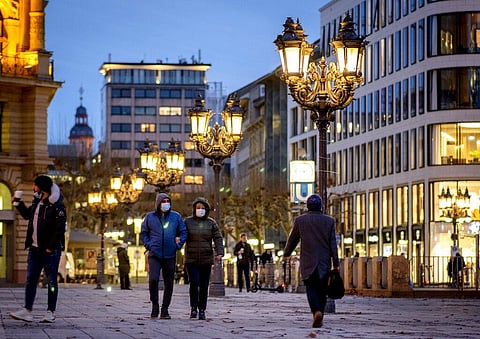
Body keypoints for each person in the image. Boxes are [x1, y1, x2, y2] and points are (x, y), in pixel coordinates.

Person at [9, 175, 66, 323]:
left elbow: (59, 230)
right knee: (31, 280)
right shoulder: (37, 202)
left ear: (42, 188)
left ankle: (50, 312)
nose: (33, 189)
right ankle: (27, 311)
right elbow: (28, 215)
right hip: (34, 249)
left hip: (50, 251)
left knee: (52, 282)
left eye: (35, 186)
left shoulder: (57, 206)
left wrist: (49, 248)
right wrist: (18, 203)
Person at [283, 194, 339, 328]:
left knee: (311, 288)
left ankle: (316, 312)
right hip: (324, 262)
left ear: (307, 206)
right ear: (321, 206)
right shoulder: (329, 221)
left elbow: (293, 240)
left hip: (308, 261)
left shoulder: (300, 220)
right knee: (322, 290)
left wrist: (286, 254)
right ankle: (321, 314)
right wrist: (336, 263)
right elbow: (333, 244)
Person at [140, 192, 187, 320]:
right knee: (153, 279)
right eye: (163, 201)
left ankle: (165, 309)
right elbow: (143, 233)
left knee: (169, 283)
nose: (166, 203)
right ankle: (155, 304)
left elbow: (183, 232)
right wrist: (148, 245)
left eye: (168, 201)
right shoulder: (150, 217)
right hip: (154, 254)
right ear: (158, 203)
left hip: (170, 254)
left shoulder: (176, 217)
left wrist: (178, 245)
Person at [184, 197, 224, 320]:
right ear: (194, 209)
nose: (200, 210)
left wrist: (220, 252)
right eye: (198, 208)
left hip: (206, 259)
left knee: (204, 285)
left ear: (206, 209)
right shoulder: (188, 222)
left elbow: (218, 238)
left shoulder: (211, 223)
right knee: (194, 283)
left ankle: (202, 309)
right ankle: (193, 308)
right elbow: (181, 234)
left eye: (202, 208)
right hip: (191, 258)